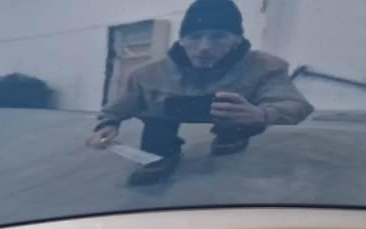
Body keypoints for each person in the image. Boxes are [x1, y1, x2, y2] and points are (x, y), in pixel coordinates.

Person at [87, 0, 314, 185]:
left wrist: (261, 114)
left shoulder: (264, 67)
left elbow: (294, 104)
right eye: (195, 37)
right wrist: (108, 124)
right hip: (168, 118)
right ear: (182, 40)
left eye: (218, 36)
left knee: (237, 117)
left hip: (231, 118)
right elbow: (121, 105)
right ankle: (160, 155)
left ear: (236, 40)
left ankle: (230, 137)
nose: (204, 47)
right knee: (156, 124)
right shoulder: (149, 74)